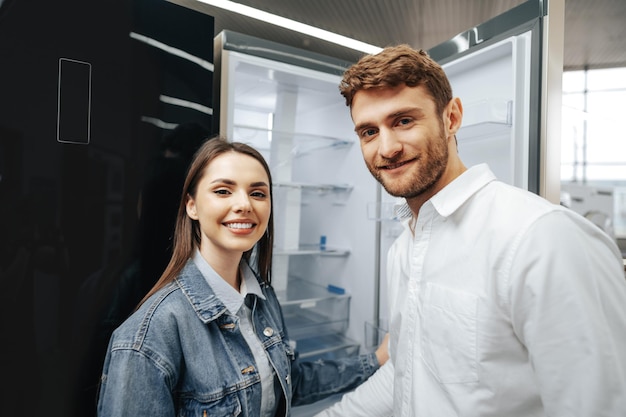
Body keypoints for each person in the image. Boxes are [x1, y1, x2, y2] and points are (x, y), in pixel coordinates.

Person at [315, 44, 626, 417]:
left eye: (403, 121)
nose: (387, 148)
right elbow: (406, 369)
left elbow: (596, 404)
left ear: (452, 118)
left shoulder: (542, 238)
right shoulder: (404, 247)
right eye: (368, 131)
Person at [96, 137, 388, 417]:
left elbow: (287, 382)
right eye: (223, 191)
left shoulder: (261, 297)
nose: (245, 204)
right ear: (192, 205)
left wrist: (373, 360)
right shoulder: (149, 336)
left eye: (258, 193)